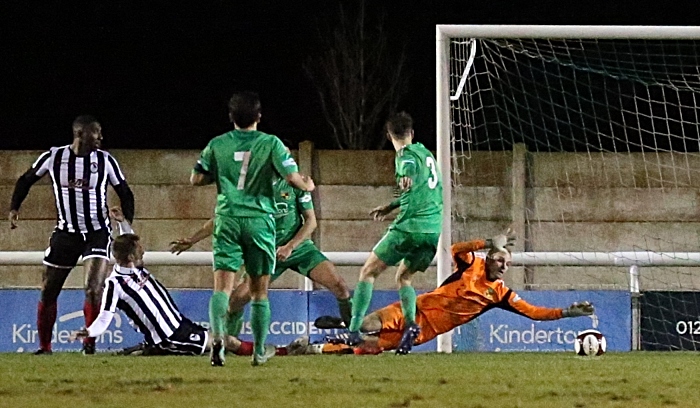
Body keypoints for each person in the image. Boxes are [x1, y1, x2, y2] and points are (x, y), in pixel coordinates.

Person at [190, 91, 315, 366]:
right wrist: (308, 186)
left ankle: (219, 340)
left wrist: (222, 174)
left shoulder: (217, 144)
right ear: (259, 116)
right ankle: (259, 352)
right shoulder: (271, 143)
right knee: (259, 292)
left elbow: (196, 179)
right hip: (259, 221)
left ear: (231, 117)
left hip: (227, 219)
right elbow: (292, 178)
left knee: (221, 290)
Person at [321, 232, 595, 353]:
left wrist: (566, 313)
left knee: (368, 346)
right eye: (500, 259)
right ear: (488, 258)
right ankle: (344, 327)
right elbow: (456, 249)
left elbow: (534, 313)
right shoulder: (471, 263)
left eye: (508, 264)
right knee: (368, 324)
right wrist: (488, 241)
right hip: (414, 310)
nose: (504, 266)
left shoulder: (500, 294)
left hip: (428, 331)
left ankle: (324, 344)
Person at [70, 208, 278, 358]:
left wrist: (121, 221)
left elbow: (125, 240)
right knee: (227, 341)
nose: (143, 250)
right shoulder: (115, 284)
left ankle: (147, 350)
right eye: (139, 249)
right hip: (169, 336)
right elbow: (105, 316)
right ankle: (279, 352)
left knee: (221, 341)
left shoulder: (135, 267)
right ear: (131, 257)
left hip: (180, 324)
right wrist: (89, 331)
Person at [170, 169, 352, 339]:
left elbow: (311, 222)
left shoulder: (297, 184)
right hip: (266, 253)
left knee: (340, 287)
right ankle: (228, 343)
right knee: (235, 301)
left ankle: (355, 334)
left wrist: (290, 246)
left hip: (300, 249)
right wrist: (192, 240)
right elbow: (220, 219)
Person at [8, 115, 135, 355]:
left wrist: (127, 222)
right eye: (96, 132)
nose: (100, 137)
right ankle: (45, 348)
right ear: (80, 134)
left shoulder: (105, 161)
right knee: (48, 289)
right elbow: (25, 180)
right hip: (66, 233)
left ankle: (89, 346)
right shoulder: (54, 157)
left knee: (93, 287)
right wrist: (14, 208)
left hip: (97, 231)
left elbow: (125, 192)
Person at [345, 111, 443, 354]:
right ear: (412, 133)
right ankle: (410, 325)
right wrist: (390, 206)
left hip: (409, 227)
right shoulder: (426, 154)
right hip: (432, 230)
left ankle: (353, 331)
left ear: (389, 136)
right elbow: (421, 191)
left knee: (368, 272)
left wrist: (404, 177)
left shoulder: (405, 156)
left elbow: (406, 174)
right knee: (404, 277)